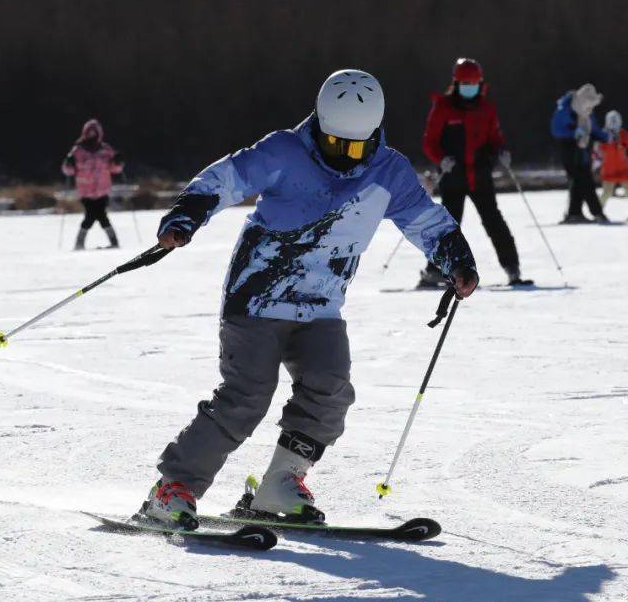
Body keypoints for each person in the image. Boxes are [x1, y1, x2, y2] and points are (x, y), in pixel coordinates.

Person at [144, 69, 479, 528]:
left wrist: (457, 260)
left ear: (374, 135)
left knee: (330, 390)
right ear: (319, 124)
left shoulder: (389, 171)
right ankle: (173, 487)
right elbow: (223, 180)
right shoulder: (284, 150)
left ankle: (280, 483)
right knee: (246, 397)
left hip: (322, 305)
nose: (346, 157)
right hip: (258, 296)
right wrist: (186, 216)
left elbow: (427, 222)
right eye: (336, 143)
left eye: (357, 147)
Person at [420, 57, 521, 286]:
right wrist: (441, 159)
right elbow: (430, 142)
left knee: (494, 222)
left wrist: (501, 151)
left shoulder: (487, 107)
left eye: (473, 83)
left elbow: (495, 138)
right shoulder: (443, 107)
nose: (469, 87)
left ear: (480, 83)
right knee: (447, 227)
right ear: (456, 83)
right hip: (453, 176)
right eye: (465, 83)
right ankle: (434, 271)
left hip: (480, 176)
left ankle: (512, 268)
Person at [551, 83, 609, 223]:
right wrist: (573, 133)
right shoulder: (564, 108)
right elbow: (556, 129)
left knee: (580, 180)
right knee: (582, 180)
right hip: (569, 147)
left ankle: (575, 213)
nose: (590, 108)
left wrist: (608, 137)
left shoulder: (587, 111)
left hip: (584, 150)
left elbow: (594, 130)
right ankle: (596, 212)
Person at [61, 119, 123, 249]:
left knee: (96, 215)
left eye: (94, 133)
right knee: (96, 215)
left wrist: (117, 162)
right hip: (85, 191)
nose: (92, 136)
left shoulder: (106, 150)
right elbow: (69, 171)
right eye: (89, 133)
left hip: (102, 190)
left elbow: (116, 169)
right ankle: (113, 241)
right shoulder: (77, 150)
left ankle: (80, 243)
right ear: (85, 133)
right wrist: (68, 163)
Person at [597, 110, 628, 218]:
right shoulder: (603, 135)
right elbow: (597, 149)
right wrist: (596, 159)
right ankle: (598, 211)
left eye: (616, 121)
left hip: (622, 167)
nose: (614, 124)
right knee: (607, 192)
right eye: (611, 121)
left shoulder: (622, 134)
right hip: (608, 168)